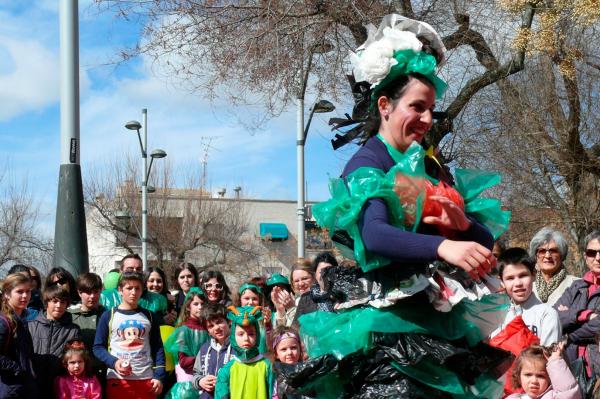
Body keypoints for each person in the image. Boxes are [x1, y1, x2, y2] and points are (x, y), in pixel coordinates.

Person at [306, 14, 511, 397]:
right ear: (385, 105)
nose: (427, 119)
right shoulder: (370, 163)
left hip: (440, 324)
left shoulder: (430, 168)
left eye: (431, 109)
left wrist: (462, 227)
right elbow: (375, 233)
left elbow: (483, 239)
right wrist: (443, 244)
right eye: (417, 107)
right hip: (392, 327)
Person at [93, 272, 166, 399]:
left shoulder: (149, 316)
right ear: (120, 290)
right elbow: (98, 347)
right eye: (129, 288)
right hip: (118, 380)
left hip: (146, 380)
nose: (133, 292)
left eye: (137, 288)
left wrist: (159, 375)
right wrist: (114, 363)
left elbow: (158, 347)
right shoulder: (108, 316)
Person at [491, 248, 562, 346]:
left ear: (533, 274)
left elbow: (550, 357)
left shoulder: (547, 315)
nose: (518, 283)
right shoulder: (497, 316)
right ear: (502, 282)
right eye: (510, 278)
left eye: (523, 275)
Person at [555, 230, 600, 379]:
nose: (597, 258)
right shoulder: (576, 286)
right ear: (585, 256)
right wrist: (583, 315)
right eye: (592, 253)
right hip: (570, 368)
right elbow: (554, 317)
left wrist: (569, 335)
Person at [28, 285, 82, 396]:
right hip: (32, 386)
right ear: (46, 302)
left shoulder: (73, 330)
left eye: (63, 302)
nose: (59, 306)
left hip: (61, 388)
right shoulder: (30, 326)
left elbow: (76, 359)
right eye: (55, 301)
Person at [214, 306, 274, 399]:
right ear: (233, 336)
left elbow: (274, 395)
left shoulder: (268, 366)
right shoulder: (226, 370)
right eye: (241, 334)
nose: (246, 338)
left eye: (251, 334)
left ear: (257, 335)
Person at [164, 287, 209, 399]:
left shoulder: (207, 329)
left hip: (205, 384)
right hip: (188, 388)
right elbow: (184, 362)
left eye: (203, 304)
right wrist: (205, 358)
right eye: (196, 304)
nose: (200, 307)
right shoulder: (183, 330)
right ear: (188, 307)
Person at [0, 274, 38, 398]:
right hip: (9, 388)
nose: (25, 296)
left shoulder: (22, 318)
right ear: (7, 294)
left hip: (23, 387)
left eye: (28, 291)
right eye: (20, 292)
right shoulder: (3, 322)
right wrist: (17, 370)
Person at [100, 254, 168, 317]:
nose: (134, 272)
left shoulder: (159, 300)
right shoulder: (104, 297)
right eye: (130, 269)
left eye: (138, 269)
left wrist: (162, 321)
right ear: (120, 271)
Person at [506, 343, 580, 399]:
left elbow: (569, 393)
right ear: (519, 376)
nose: (534, 381)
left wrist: (555, 362)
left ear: (550, 379)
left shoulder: (553, 397)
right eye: (528, 375)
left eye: (540, 376)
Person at [69, 273, 106, 381]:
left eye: (96, 292)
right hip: (77, 377)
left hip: (102, 374)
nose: (92, 296)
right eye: (88, 292)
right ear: (79, 292)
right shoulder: (69, 316)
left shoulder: (107, 315)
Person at [530, 227, 579, 305]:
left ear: (561, 255)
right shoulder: (528, 289)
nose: (547, 255)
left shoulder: (576, 285)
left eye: (553, 251)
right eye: (542, 251)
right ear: (536, 256)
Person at [192, 303, 232, 399]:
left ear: (229, 321)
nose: (216, 328)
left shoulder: (239, 348)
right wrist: (200, 381)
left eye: (219, 322)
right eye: (211, 326)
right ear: (208, 331)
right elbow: (196, 374)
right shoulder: (204, 349)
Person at [292, 252, 337, 326]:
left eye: (329, 270)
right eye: (321, 271)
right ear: (315, 275)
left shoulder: (343, 296)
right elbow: (295, 328)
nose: (324, 274)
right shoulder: (306, 299)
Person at [272, 261, 315, 328]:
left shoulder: (320, 301)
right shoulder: (296, 301)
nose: (301, 284)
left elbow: (303, 330)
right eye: (296, 281)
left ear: (314, 278)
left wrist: (291, 309)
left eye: (305, 278)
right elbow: (283, 335)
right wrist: (280, 310)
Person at [270, 326, 306, 399]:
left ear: (300, 349)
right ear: (276, 354)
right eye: (284, 349)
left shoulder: (307, 370)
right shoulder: (275, 377)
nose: (289, 352)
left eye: (293, 348)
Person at [235, 282, 270, 353]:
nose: (250, 302)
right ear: (240, 300)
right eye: (246, 298)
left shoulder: (264, 318)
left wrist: (268, 325)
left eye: (254, 299)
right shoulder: (235, 318)